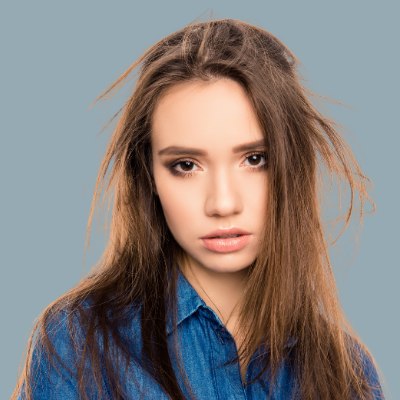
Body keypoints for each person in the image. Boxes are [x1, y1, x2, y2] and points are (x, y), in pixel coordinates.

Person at [12, 18, 385, 399]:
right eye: (186, 165)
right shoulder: (78, 344)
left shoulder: (348, 375)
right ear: (150, 178)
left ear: (293, 166)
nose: (223, 203)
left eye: (255, 159)